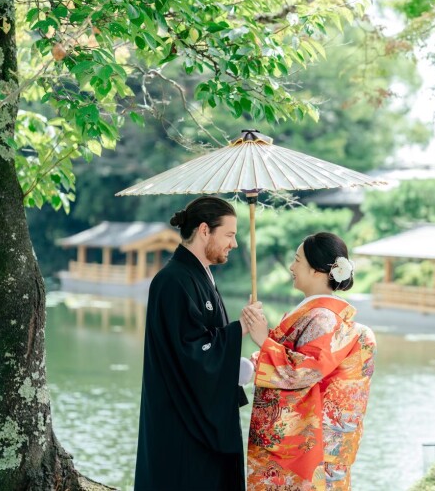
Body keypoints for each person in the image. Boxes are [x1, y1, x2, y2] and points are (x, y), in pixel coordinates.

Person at [134, 196, 262, 491]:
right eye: (229, 234)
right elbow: (188, 351)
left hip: (196, 409)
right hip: (179, 416)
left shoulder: (199, 276)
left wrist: (237, 362)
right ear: (205, 230)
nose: (235, 244)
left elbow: (204, 344)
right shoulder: (172, 280)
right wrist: (240, 328)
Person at [244, 232, 376, 490]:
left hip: (316, 443)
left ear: (317, 270)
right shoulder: (318, 312)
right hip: (318, 439)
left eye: (297, 260)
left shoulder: (324, 317)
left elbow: (303, 370)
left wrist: (263, 340)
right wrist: (257, 357)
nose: (292, 267)